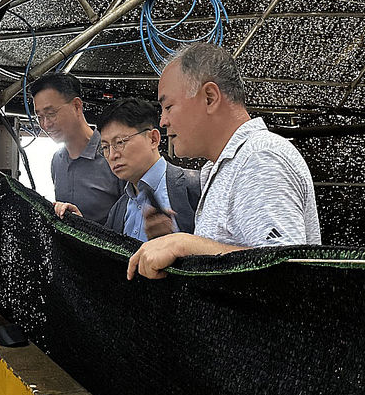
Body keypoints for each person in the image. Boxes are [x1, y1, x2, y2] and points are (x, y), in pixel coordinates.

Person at [128, 43, 321, 280]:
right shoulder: (226, 165)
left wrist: (183, 244)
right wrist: (176, 240)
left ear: (210, 97)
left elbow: (284, 270)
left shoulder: (259, 159)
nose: (163, 121)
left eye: (168, 106)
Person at [55, 97, 200, 240]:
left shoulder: (195, 187)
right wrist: (81, 227)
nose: (112, 155)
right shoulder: (119, 209)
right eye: (105, 147)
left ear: (153, 139)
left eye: (120, 142)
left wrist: (176, 244)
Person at [30, 73, 122, 225]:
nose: (45, 124)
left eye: (51, 114)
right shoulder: (57, 161)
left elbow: (132, 224)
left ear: (77, 106)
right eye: (39, 117)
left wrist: (85, 227)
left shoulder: (113, 154)